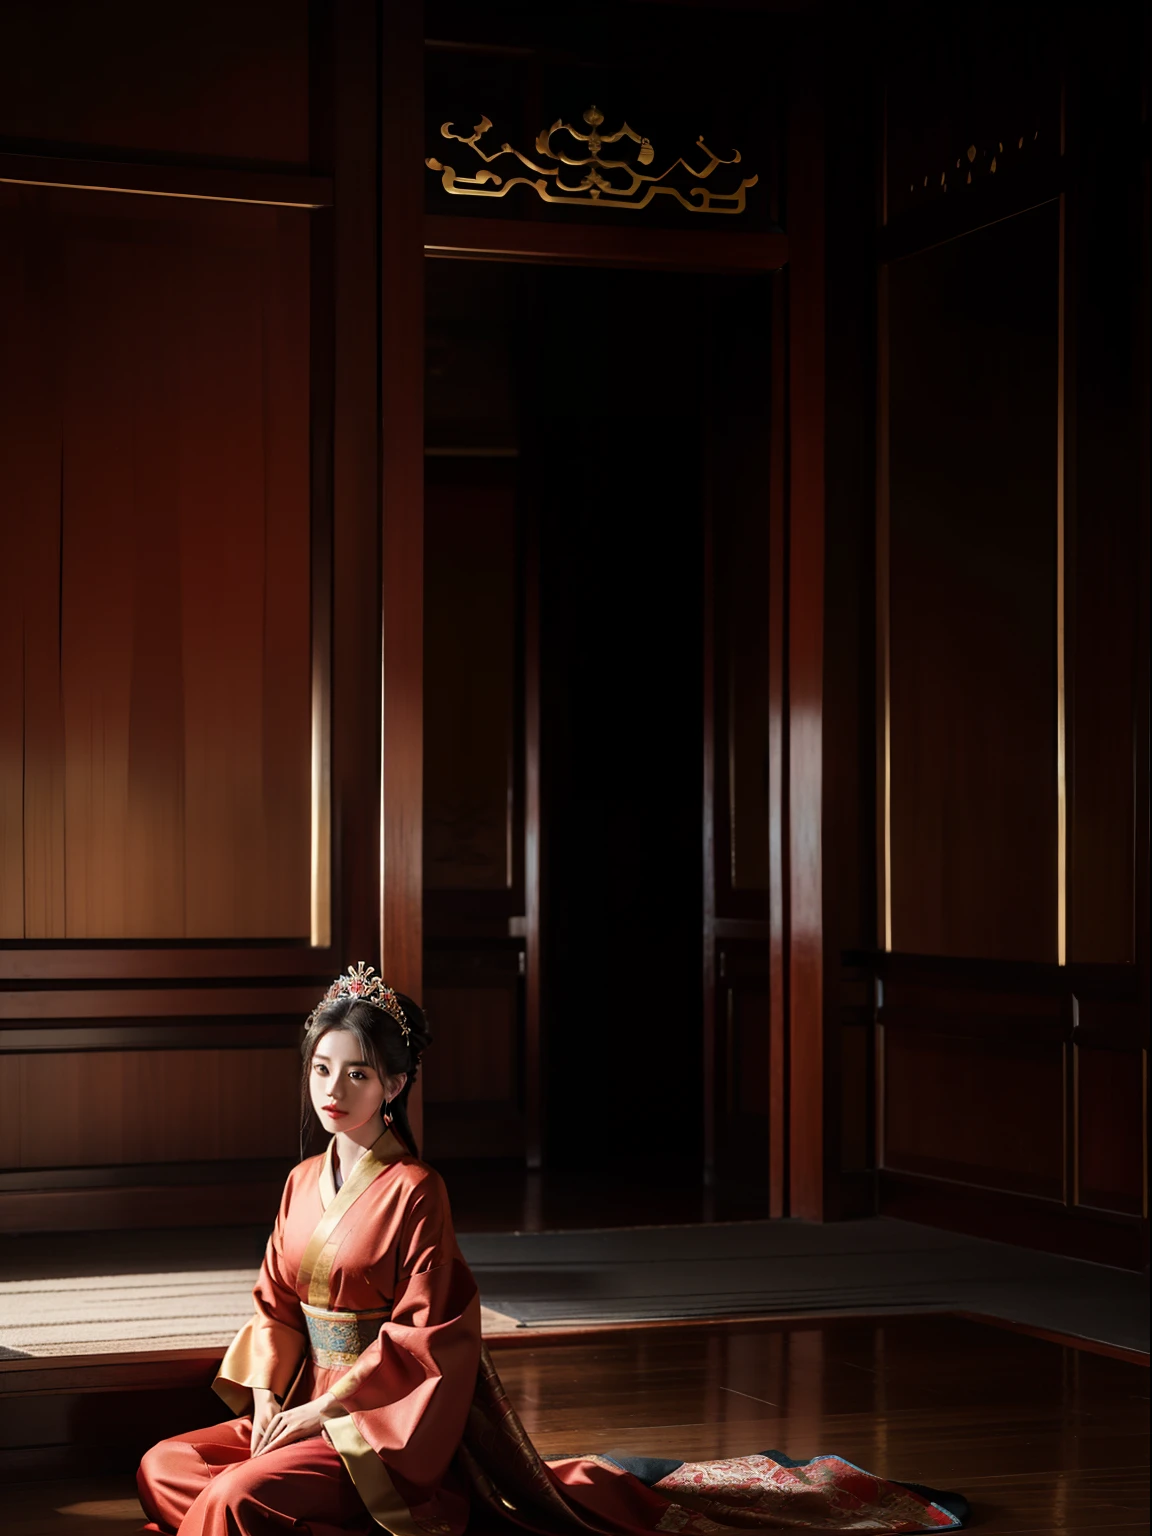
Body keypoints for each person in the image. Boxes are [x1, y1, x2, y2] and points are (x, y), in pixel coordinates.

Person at [138, 963, 968, 1536]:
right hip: (292, 1406)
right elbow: (274, 1305)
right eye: (321, 1069)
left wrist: (318, 1414)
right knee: (167, 1467)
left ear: (395, 1086)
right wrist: (261, 1413)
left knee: (237, 1500)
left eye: (357, 1074)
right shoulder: (298, 1181)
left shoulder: (416, 1190)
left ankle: (330, 1509)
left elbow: (423, 1340)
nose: (333, 1090)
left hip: (369, 1424)